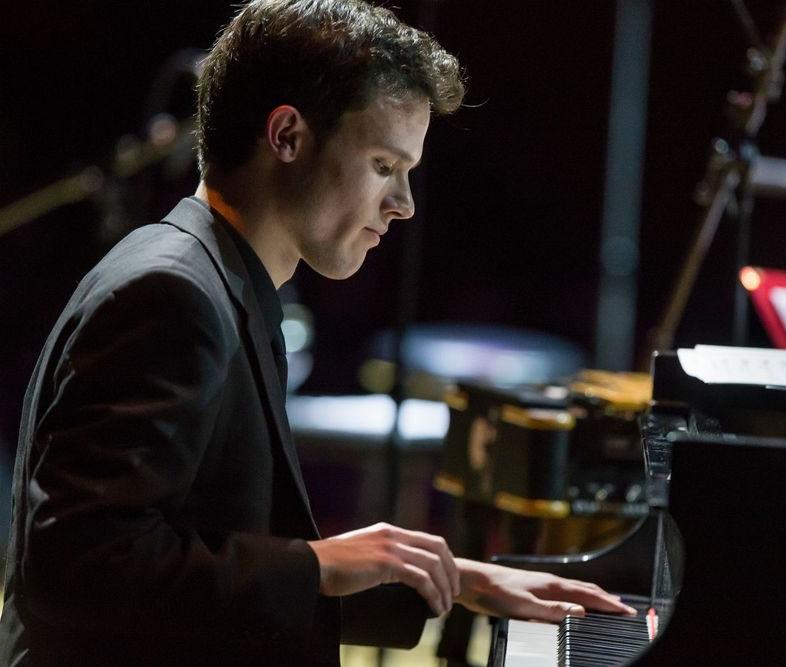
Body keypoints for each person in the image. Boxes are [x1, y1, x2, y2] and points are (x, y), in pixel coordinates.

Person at [0, 1, 634, 664]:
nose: (404, 204)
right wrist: (319, 562)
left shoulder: (222, 280)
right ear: (287, 136)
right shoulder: (172, 294)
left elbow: (200, 563)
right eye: (385, 165)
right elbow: (81, 568)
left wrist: (452, 579)